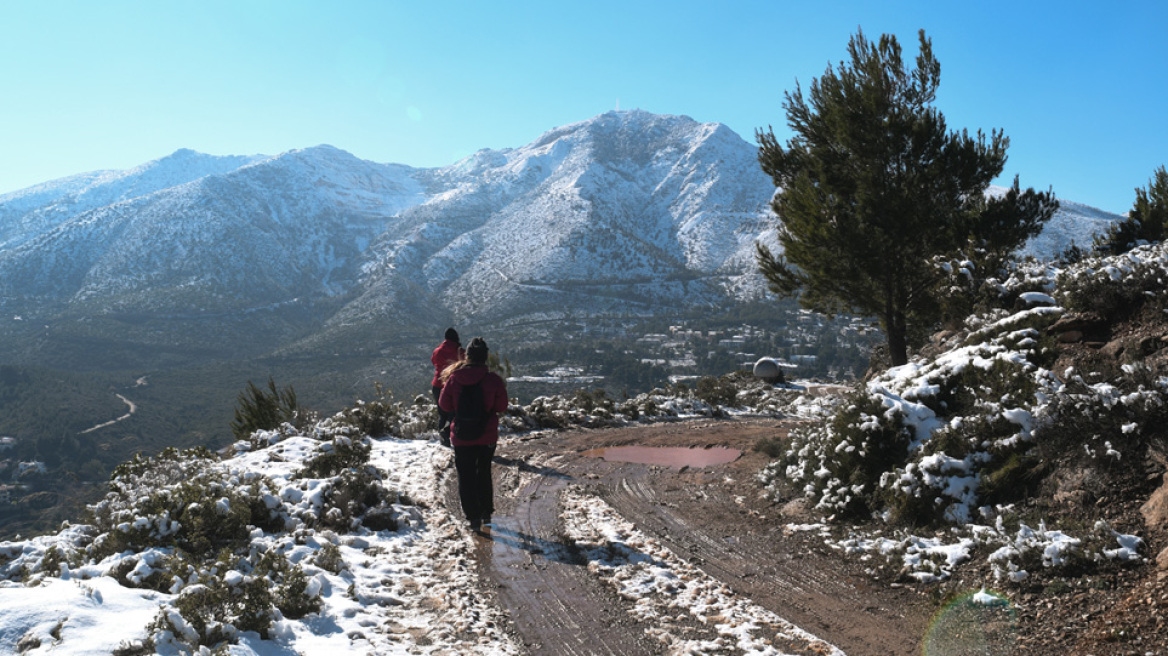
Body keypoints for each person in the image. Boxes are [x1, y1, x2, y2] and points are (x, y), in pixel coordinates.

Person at [438, 337, 508, 532]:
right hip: (486, 436)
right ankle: (486, 513)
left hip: (461, 436)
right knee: (483, 472)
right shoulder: (493, 379)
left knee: (465, 475)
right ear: (485, 357)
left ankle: (473, 518)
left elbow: (444, 405)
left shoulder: (454, 379)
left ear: (467, 356)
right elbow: (501, 406)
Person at [430, 327, 463, 447]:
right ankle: (454, 435)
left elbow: (434, 361)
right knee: (454, 413)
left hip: (437, 385)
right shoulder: (460, 352)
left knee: (442, 413)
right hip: (454, 386)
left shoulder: (438, 351)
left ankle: (444, 438)